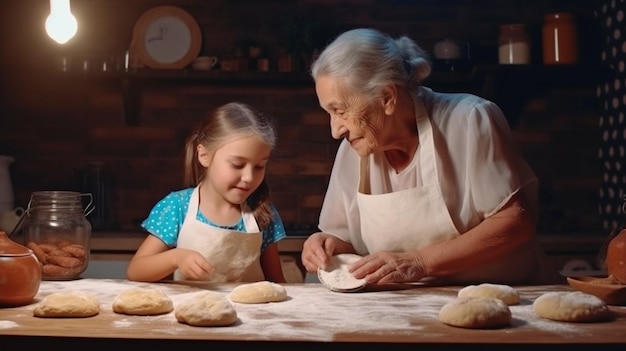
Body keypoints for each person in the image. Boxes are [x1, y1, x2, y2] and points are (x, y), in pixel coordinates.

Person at [301, 28, 562, 286]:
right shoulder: (353, 150)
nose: (336, 130)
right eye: (329, 113)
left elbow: (515, 222)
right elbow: (345, 237)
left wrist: (419, 262)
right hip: (415, 309)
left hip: (510, 300)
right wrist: (328, 245)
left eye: (341, 111)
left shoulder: (469, 119)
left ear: (387, 97)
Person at [127, 102, 286, 283]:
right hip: (189, 309)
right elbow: (136, 270)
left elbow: (276, 282)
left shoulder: (262, 213)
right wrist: (176, 258)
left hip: (249, 312)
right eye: (237, 165)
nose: (249, 177)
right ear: (204, 155)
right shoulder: (178, 207)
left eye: (259, 166)